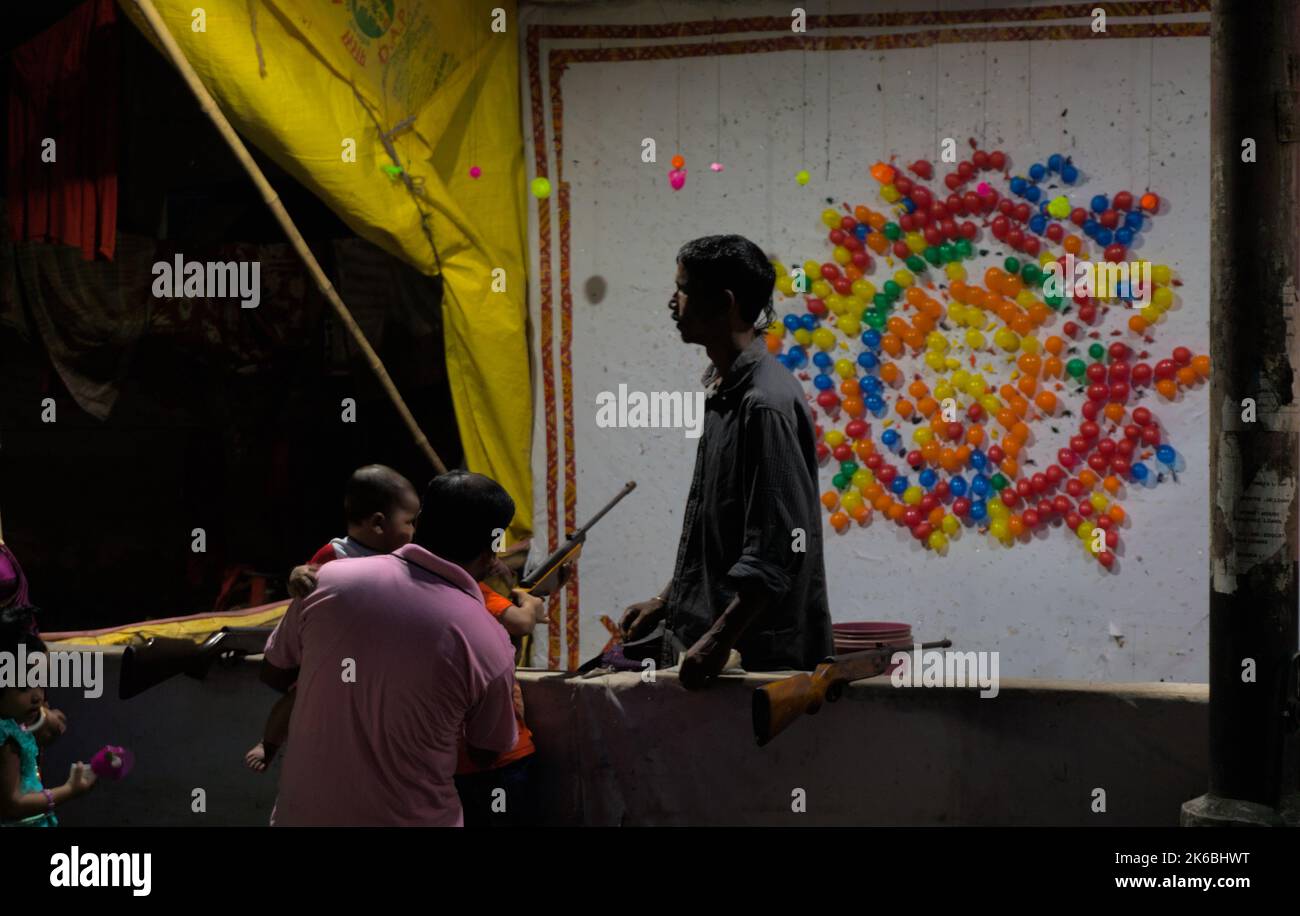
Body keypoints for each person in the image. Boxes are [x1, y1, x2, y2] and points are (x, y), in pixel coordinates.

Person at [620, 234, 833, 689]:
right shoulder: (725, 391)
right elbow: (719, 532)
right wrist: (668, 598)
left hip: (757, 659)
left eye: (683, 289)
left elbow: (778, 548)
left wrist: (718, 640)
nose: (671, 302)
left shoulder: (763, 403)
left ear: (724, 302)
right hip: (728, 648)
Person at [261, 470, 520, 826]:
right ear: (492, 549)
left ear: (421, 521)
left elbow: (274, 671)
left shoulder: (326, 580)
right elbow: (487, 751)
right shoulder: (490, 640)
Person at [244, 464, 420, 772]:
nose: (414, 531)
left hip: (362, 659)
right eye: (409, 522)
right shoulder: (335, 555)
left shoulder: (401, 558)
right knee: (299, 696)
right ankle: (269, 743)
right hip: (320, 653)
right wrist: (296, 577)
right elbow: (305, 580)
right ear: (378, 523)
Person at [454, 581, 547, 826]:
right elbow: (522, 623)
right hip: (503, 758)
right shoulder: (473, 590)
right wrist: (530, 603)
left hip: (451, 762)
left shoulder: (419, 598)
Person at [0, 606, 97, 826]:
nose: (37, 697)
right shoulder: (5, 740)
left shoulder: (14, 724)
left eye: (41, 683)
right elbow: (12, 805)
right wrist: (69, 790)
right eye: (24, 687)